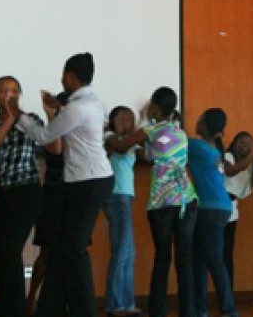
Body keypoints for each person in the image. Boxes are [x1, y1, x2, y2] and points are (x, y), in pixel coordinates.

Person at [11, 52, 114, 317]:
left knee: (75, 249)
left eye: (63, 75)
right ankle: (51, 308)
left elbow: (45, 135)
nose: (61, 79)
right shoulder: (90, 102)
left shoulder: (78, 108)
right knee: (61, 248)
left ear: (70, 76)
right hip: (84, 181)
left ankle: (85, 311)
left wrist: (18, 115)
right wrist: (58, 105)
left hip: (89, 182)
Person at [108, 87, 198, 317]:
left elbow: (120, 146)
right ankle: (189, 312)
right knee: (185, 261)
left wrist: (110, 133)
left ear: (156, 108)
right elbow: (158, 152)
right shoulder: (180, 133)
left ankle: (158, 311)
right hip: (187, 198)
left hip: (162, 201)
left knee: (162, 258)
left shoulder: (149, 130)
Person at [0, 76, 59, 317]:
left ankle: (14, 311)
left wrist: (51, 116)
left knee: (10, 249)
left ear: (20, 94)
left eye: (14, 90)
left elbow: (54, 148)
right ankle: (1, 308)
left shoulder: (30, 120)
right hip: (3, 193)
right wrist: (10, 120)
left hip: (28, 192)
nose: (9, 95)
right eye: (4, 91)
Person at [188, 108, 238, 317]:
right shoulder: (214, 150)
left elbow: (166, 144)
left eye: (200, 120)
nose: (197, 123)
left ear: (206, 126)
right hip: (217, 207)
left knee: (213, 260)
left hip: (211, 209)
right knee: (200, 260)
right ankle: (203, 310)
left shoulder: (197, 146)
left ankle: (228, 309)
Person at [27, 92, 69, 317]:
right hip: (53, 194)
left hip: (72, 196)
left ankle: (61, 302)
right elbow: (56, 150)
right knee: (47, 253)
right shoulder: (51, 129)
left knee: (71, 252)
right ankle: (31, 298)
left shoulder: (78, 132)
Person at [102, 106, 141, 317]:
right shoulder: (109, 136)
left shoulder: (131, 140)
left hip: (126, 196)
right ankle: (115, 304)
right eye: (125, 117)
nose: (130, 121)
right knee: (121, 251)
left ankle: (127, 303)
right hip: (115, 195)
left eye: (132, 117)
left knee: (129, 253)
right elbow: (120, 148)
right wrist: (128, 133)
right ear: (115, 119)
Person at [222, 132, 253, 288]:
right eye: (242, 142)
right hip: (218, 208)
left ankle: (228, 293)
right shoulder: (227, 156)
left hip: (232, 211)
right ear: (233, 144)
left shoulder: (250, 166)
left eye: (249, 143)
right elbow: (229, 171)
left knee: (227, 254)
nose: (246, 146)